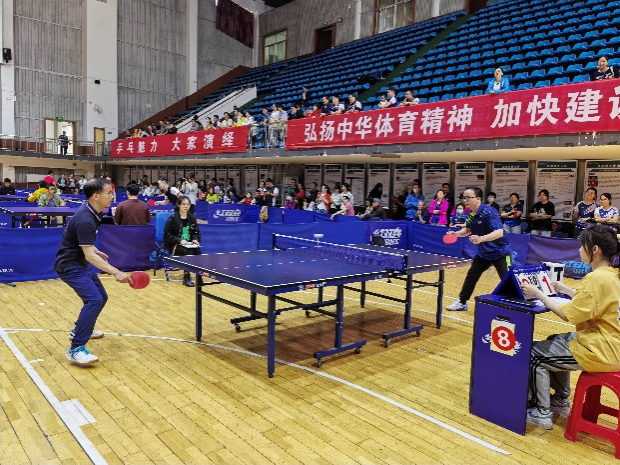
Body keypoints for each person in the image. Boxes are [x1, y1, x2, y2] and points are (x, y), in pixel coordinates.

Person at [521, 225, 620, 430]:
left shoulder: (596, 278)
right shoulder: (612, 274)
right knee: (553, 339)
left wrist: (538, 294)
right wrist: (566, 290)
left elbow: (566, 314)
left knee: (533, 354)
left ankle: (542, 412)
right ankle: (560, 399)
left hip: (603, 351)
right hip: (612, 344)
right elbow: (595, 301)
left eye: (582, 245)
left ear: (595, 250)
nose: (579, 249)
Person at [54, 178, 132, 366]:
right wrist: (116, 272)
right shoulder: (86, 219)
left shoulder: (93, 211)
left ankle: (79, 330)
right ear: (96, 196)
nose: (113, 196)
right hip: (69, 266)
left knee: (101, 297)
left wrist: (94, 250)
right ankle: (76, 349)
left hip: (78, 262)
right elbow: (89, 256)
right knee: (94, 299)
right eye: (109, 193)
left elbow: (80, 241)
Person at [446, 187, 511, 311]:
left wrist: (481, 238)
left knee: (508, 280)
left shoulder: (489, 212)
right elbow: (468, 230)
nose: (465, 200)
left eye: (468, 197)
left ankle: (516, 306)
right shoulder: (471, 215)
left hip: (501, 251)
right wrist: (456, 234)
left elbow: (499, 232)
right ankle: (462, 302)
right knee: (472, 276)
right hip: (484, 253)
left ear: (478, 199)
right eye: (464, 197)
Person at [164, 196, 202, 287]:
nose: (186, 206)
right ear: (179, 205)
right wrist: (179, 240)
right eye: (184, 204)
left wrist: (195, 239)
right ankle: (186, 277)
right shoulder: (172, 219)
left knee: (198, 252)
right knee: (187, 252)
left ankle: (199, 276)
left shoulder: (192, 218)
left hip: (189, 244)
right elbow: (167, 236)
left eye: (188, 204)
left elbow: (197, 233)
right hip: (175, 245)